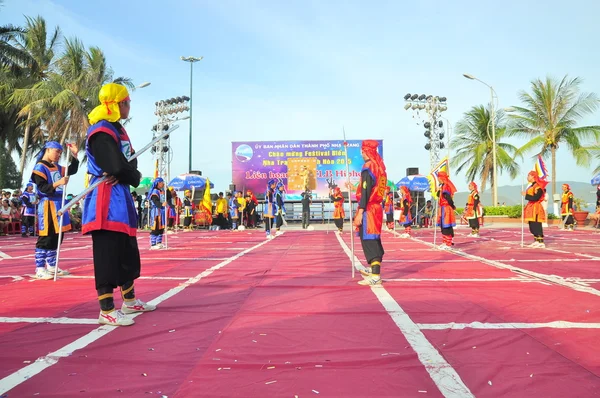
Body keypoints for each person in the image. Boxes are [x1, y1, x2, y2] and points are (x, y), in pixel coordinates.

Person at [83, 82, 155, 326]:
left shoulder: (118, 129)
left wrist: (128, 173)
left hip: (121, 197)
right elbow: (114, 167)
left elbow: (129, 163)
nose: (129, 106)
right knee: (107, 253)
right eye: (127, 102)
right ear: (119, 103)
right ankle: (106, 308)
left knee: (127, 251)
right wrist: (129, 174)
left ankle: (130, 299)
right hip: (105, 199)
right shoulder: (101, 131)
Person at [31, 141, 79, 279]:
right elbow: (42, 188)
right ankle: (40, 268)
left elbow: (72, 170)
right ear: (48, 150)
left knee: (58, 236)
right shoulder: (40, 167)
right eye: (57, 151)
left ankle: (51, 265)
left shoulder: (56, 167)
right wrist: (58, 183)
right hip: (47, 205)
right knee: (46, 236)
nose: (59, 155)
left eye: (61, 152)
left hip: (59, 204)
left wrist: (75, 154)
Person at [354, 140, 387, 286]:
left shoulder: (368, 167)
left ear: (367, 151)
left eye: (362, 151)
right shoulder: (379, 168)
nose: (361, 154)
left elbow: (366, 191)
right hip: (376, 208)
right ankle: (374, 269)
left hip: (369, 209)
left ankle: (375, 275)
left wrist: (360, 212)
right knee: (374, 238)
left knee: (369, 240)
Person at [522, 170, 547, 248]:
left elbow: (536, 197)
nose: (527, 177)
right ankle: (536, 240)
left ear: (533, 176)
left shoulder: (538, 186)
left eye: (529, 175)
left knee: (536, 224)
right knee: (531, 224)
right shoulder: (531, 186)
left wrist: (526, 195)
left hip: (536, 207)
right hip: (530, 206)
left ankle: (541, 241)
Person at [436, 171, 457, 250]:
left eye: (438, 178)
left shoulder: (446, 186)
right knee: (442, 225)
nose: (438, 179)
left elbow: (448, 198)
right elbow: (439, 195)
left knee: (446, 225)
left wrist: (452, 205)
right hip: (442, 208)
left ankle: (448, 243)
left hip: (446, 208)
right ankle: (444, 241)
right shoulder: (442, 186)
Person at [149, 177, 166, 248]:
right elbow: (155, 201)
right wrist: (161, 204)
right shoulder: (155, 191)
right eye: (162, 182)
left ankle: (159, 242)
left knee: (161, 227)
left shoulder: (161, 191)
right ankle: (153, 243)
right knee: (155, 227)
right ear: (159, 183)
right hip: (156, 212)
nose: (163, 184)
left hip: (161, 211)